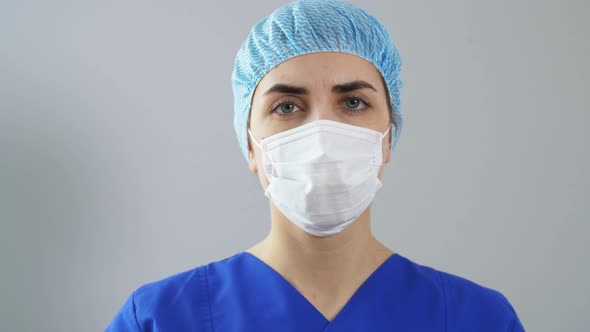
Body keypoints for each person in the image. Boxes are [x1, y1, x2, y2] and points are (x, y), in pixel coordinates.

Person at [106, 0, 525, 331]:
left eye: (354, 102)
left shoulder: (477, 319)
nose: (322, 135)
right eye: (286, 106)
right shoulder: (160, 319)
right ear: (250, 145)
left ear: (388, 137)